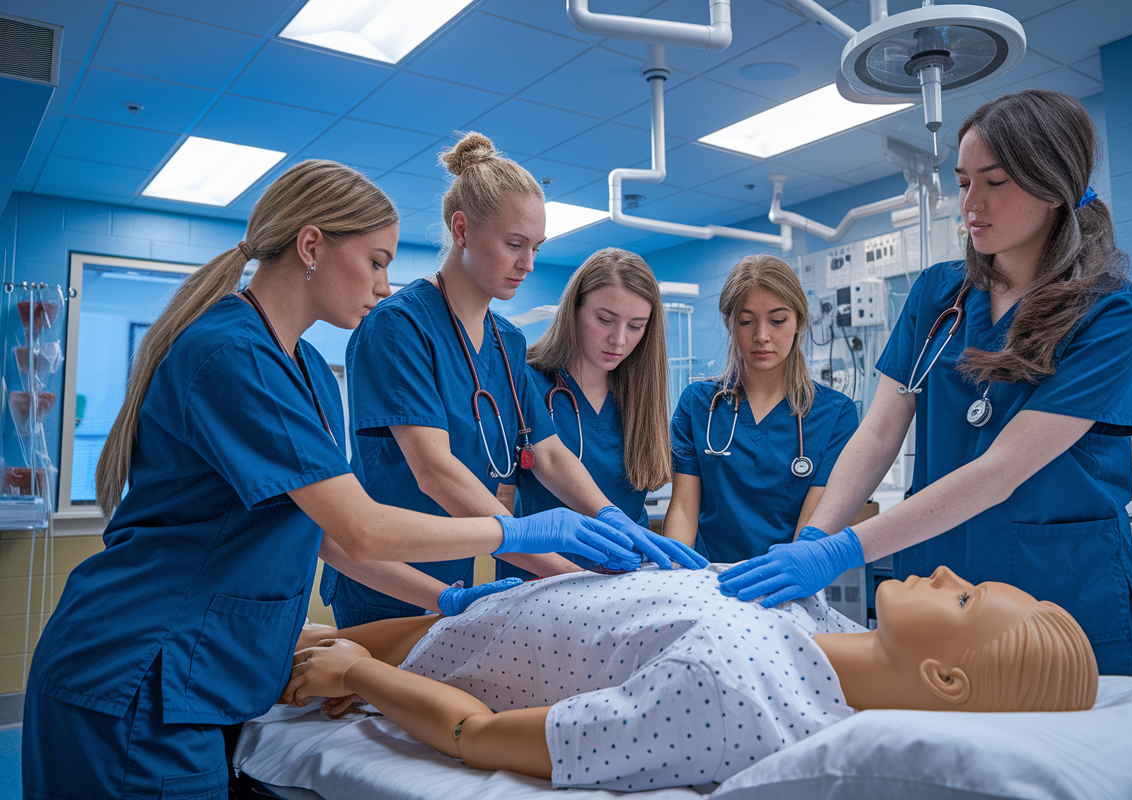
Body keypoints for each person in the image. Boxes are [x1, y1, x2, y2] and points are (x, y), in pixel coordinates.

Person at [21, 160, 659, 800]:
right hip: (138, 669)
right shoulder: (232, 354)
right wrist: (513, 530)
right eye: (376, 261)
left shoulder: (310, 376)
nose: (385, 285)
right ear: (310, 247)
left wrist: (450, 602)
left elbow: (333, 539)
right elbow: (362, 524)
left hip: (202, 675)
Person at [717, 89, 1132, 677]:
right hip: (939, 584)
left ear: (1052, 187)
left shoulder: (1110, 316)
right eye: (963, 180)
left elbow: (1001, 470)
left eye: (993, 181)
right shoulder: (938, 296)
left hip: (1059, 589)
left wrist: (846, 550)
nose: (970, 202)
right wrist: (813, 540)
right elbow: (877, 433)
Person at [325, 133, 703, 627]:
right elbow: (433, 471)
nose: (527, 264)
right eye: (513, 244)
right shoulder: (398, 326)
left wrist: (608, 515)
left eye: (536, 247)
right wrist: (553, 563)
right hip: (385, 578)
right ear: (461, 229)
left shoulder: (507, 343)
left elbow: (547, 453)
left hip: (456, 572)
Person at [284, 565, 1098, 792]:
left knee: (235, 676)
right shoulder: (826, 618)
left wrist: (361, 673)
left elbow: (478, 736)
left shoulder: (740, 701)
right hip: (483, 610)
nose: (947, 570)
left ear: (947, 682)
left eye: (963, 598)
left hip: (431, 660)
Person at [664, 254, 859, 563]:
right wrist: (676, 577)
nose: (762, 336)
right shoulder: (698, 404)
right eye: (746, 321)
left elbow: (811, 530)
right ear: (730, 324)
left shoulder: (835, 415)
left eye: (777, 320)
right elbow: (684, 510)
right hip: (706, 581)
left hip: (786, 582)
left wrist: (781, 585)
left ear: (798, 321)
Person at [496, 247, 672, 580]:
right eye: (605, 320)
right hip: (541, 585)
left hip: (625, 583)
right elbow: (500, 501)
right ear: (574, 311)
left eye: (636, 326)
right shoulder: (526, 382)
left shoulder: (640, 399)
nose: (618, 340)